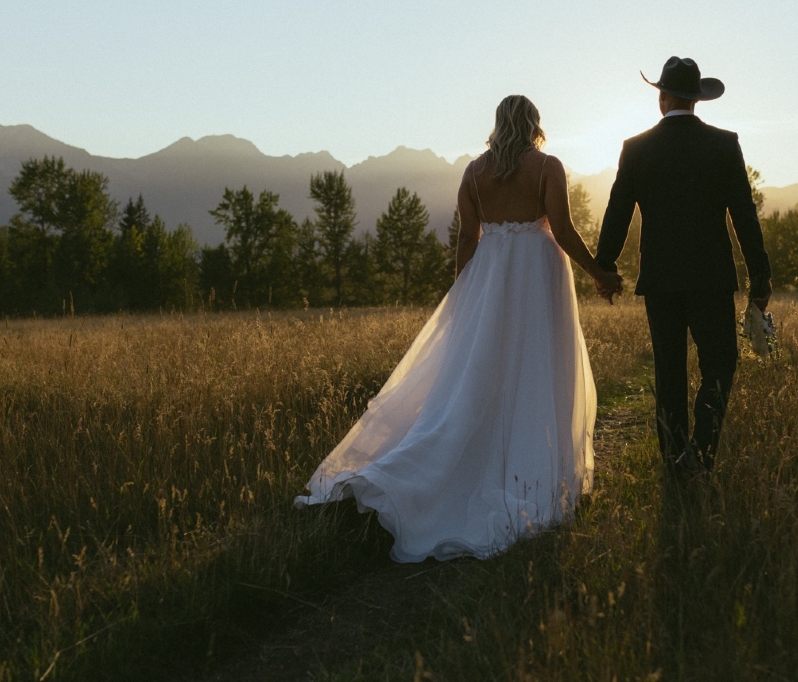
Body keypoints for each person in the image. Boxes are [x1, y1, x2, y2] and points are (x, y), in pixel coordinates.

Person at [295, 95, 623, 562]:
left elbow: (468, 237)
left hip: (489, 275)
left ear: (497, 124)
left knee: (481, 370)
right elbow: (564, 229)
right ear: (534, 124)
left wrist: (461, 296)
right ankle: (535, 470)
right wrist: (597, 272)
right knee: (538, 367)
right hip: (538, 273)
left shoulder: (473, 173)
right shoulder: (548, 165)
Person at [596, 56, 771, 474]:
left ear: (662, 97)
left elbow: (617, 212)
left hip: (659, 279)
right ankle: (700, 450)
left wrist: (604, 266)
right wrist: (760, 277)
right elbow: (744, 215)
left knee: (668, 371)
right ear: (696, 100)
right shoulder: (724, 145)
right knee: (721, 362)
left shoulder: (635, 149)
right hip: (712, 277)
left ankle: (674, 460)